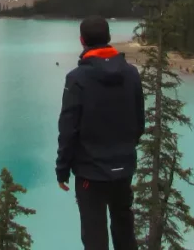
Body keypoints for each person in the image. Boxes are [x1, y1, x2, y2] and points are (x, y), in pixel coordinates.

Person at [56, 16, 143, 250]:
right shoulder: (131, 73)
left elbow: (68, 128)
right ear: (109, 38)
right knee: (125, 230)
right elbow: (139, 121)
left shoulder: (77, 79)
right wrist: (125, 150)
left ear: (82, 41)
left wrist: (62, 169)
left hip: (90, 173)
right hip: (124, 168)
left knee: (94, 236)